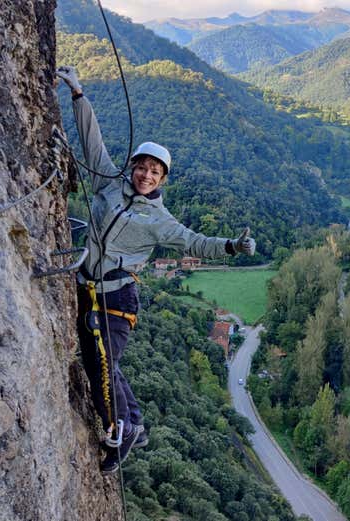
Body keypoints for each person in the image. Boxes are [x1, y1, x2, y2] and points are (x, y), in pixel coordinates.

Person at [56, 66, 256, 474]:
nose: (147, 175)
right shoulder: (109, 184)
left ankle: (120, 429)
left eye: (155, 171)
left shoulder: (160, 220)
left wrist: (234, 246)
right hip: (88, 286)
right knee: (106, 361)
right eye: (143, 166)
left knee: (99, 365)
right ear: (133, 166)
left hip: (116, 295)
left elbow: (197, 242)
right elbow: (92, 142)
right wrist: (79, 94)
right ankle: (136, 422)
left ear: (162, 178)